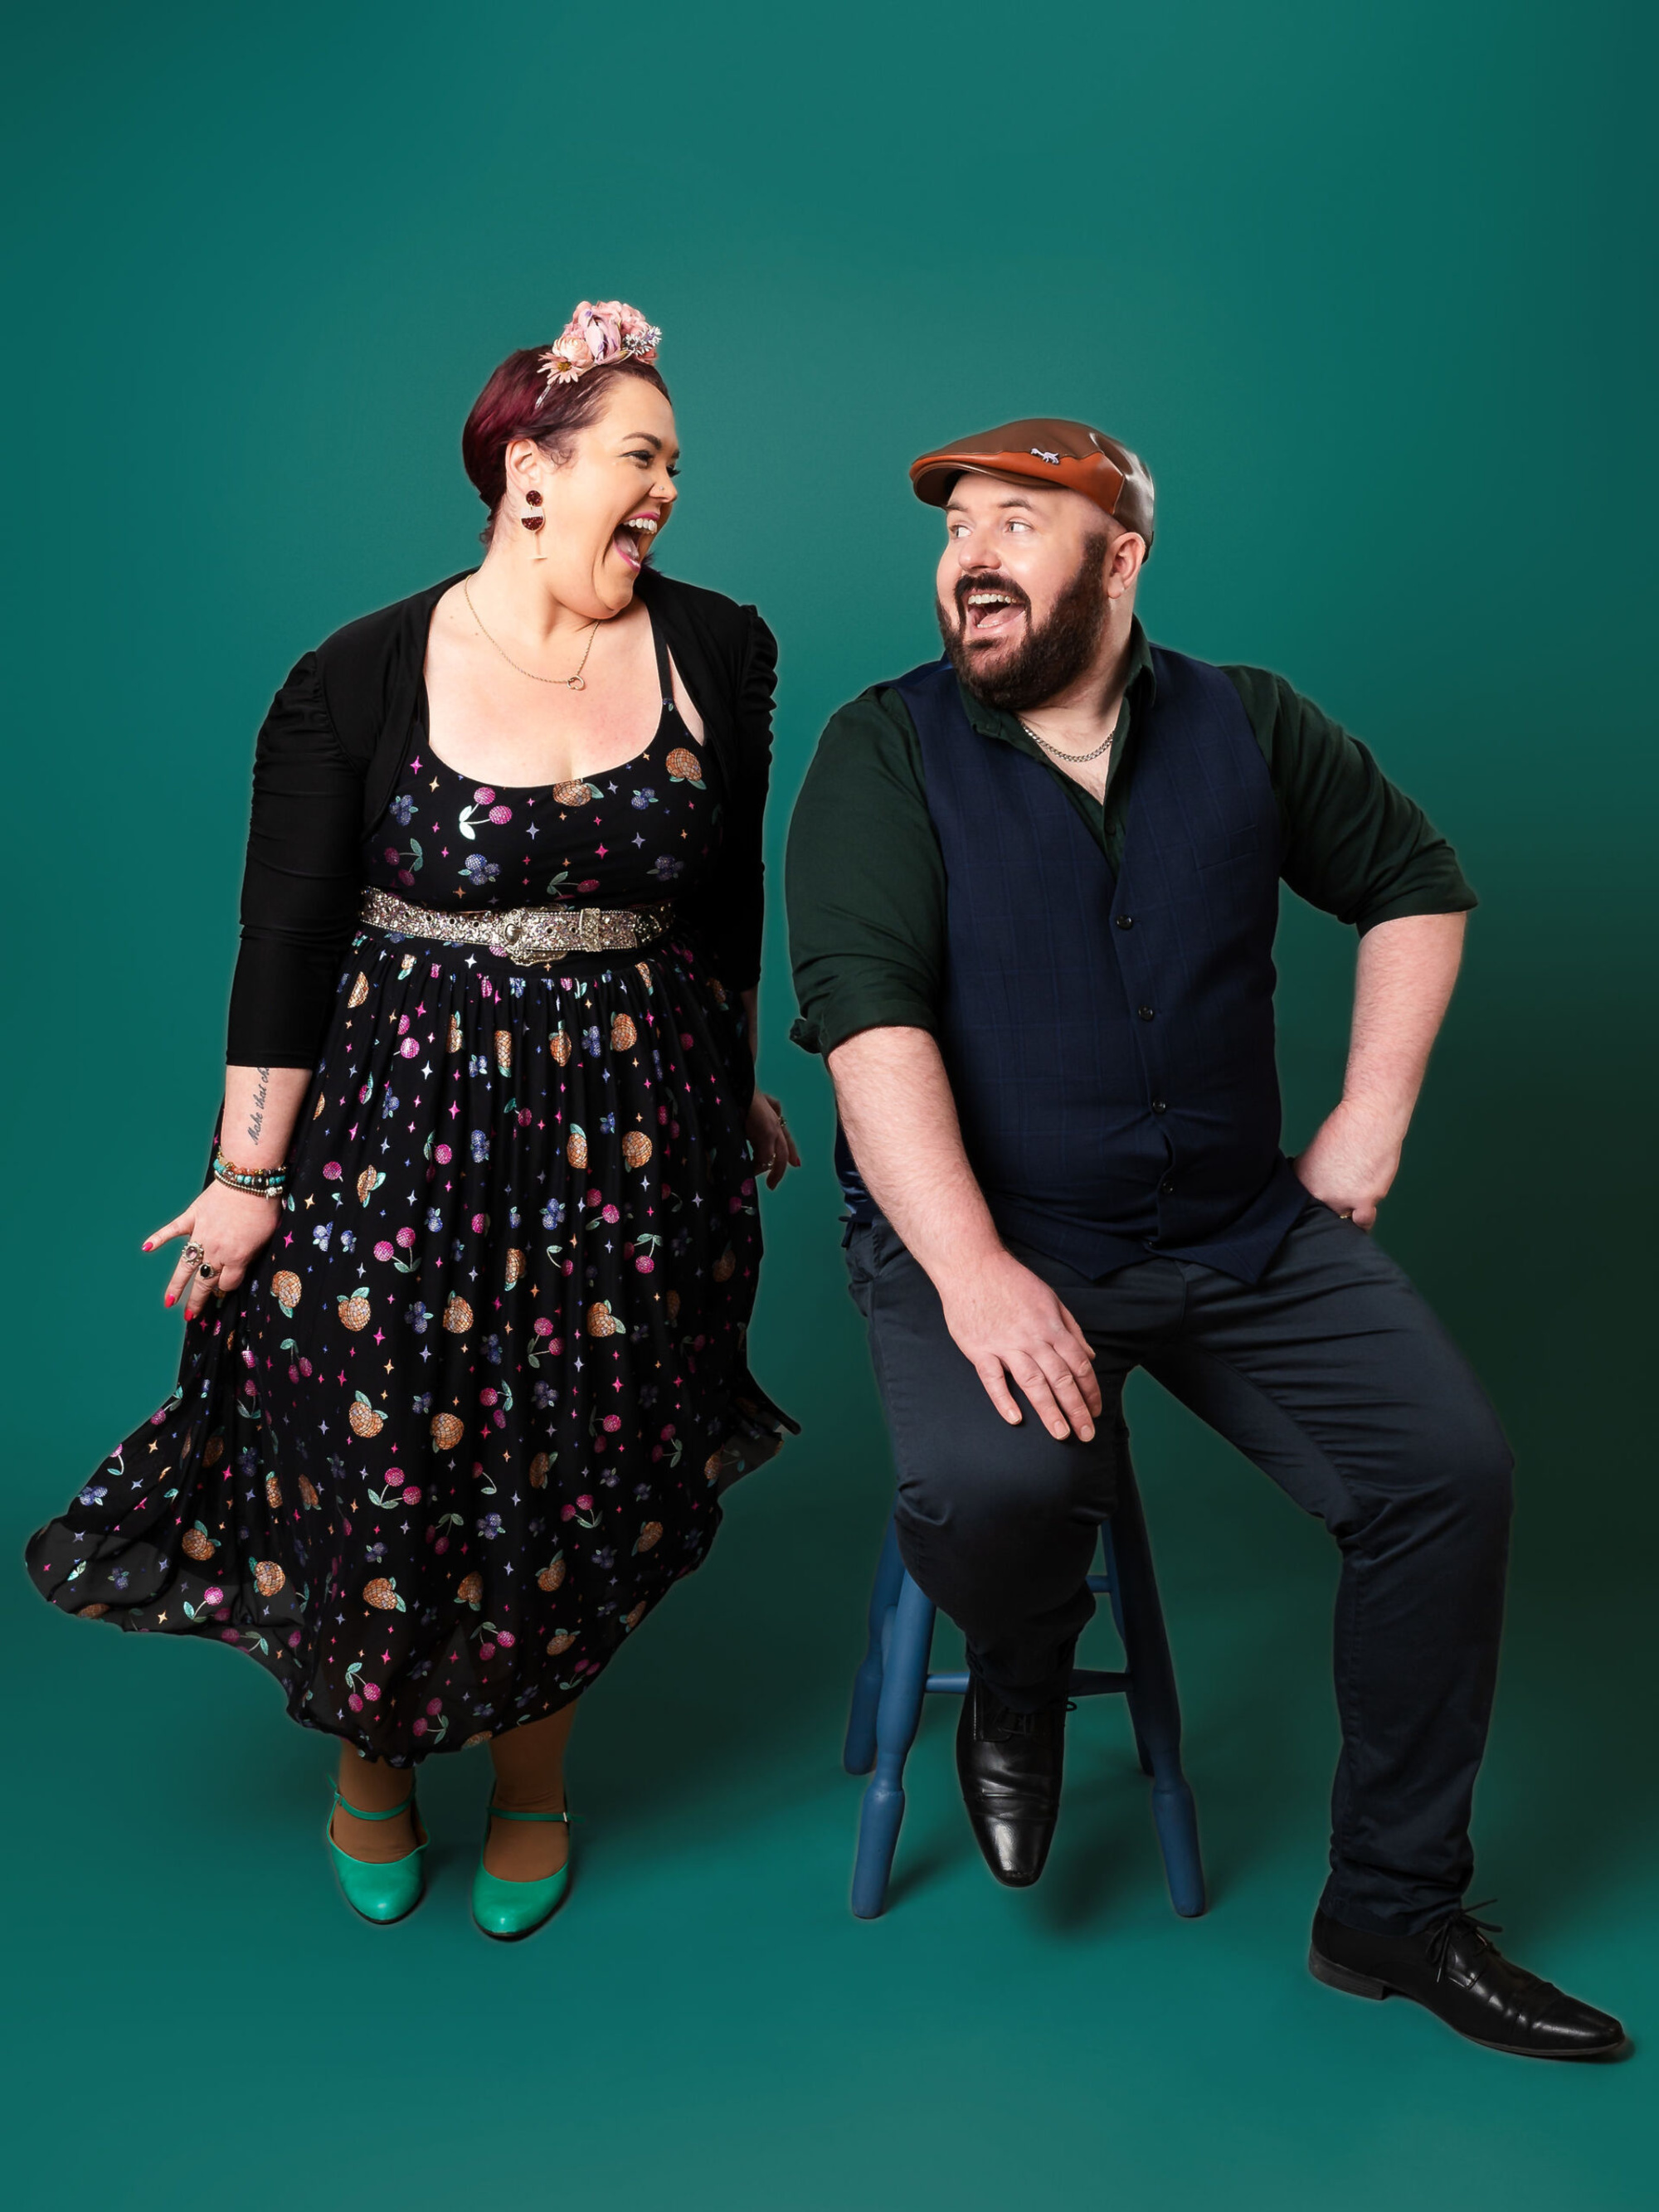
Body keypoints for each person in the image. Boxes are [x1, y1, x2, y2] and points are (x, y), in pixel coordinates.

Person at [785, 417, 1625, 2059]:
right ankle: (1023, 1662)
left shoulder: (1248, 720)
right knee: (1002, 1490)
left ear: (1121, 558)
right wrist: (976, 1273)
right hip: (994, 1232)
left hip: (1240, 1232)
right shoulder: (880, 750)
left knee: (1446, 1473)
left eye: (1017, 523)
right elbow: (871, 1031)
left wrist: (1371, 1114)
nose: (970, 558)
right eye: (956, 528)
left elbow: (1415, 881)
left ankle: (1391, 1911)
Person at [28, 299, 797, 1942]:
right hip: (402, 1128)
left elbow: (724, 899)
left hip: (633, 1140)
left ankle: (535, 1786)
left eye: (676, 464)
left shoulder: (720, 650)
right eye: (641, 456)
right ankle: (371, 1770)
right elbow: (287, 939)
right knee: (385, 1453)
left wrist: (730, 1076)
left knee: (580, 1455)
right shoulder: (356, 673)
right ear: (532, 470)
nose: (668, 491)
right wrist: (245, 1176)